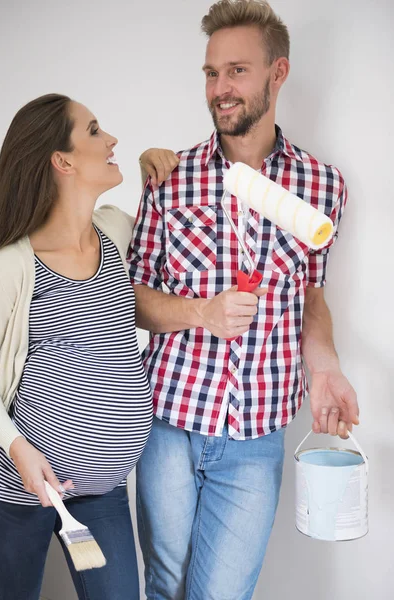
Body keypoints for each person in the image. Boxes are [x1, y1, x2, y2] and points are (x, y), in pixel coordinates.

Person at [128, 1, 360, 599]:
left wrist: (326, 364)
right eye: (211, 72)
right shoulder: (171, 177)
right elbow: (132, 301)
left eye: (237, 71)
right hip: (168, 422)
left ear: (277, 74)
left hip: (256, 434)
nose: (220, 89)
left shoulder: (322, 185)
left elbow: (309, 294)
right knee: (165, 585)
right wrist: (201, 312)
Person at [0, 93, 154, 600]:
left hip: (102, 490)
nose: (111, 138)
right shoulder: (8, 268)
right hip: (15, 489)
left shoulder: (115, 230)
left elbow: (168, 251)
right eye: (94, 130)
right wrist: (19, 447)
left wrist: (151, 169)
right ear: (62, 160)